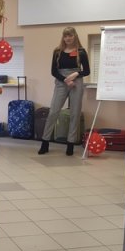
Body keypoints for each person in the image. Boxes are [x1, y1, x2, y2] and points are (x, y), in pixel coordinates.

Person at [38, 27, 90, 156]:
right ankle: (45, 142)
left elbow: (87, 71)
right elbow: (53, 71)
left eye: (70, 35)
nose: (68, 38)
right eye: (66, 36)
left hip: (76, 82)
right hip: (61, 82)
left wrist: (76, 74)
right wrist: (66, 80)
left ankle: (70, 144)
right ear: (63, 37)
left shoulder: (81, 52)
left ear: (75, 36)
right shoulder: (57, 51)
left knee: (75, 113)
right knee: (53, 112)